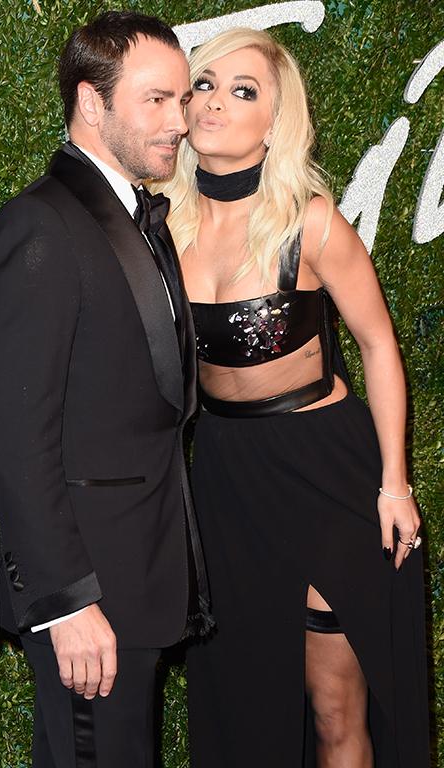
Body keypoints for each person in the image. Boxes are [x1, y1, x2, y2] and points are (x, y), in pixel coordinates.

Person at [155, 27, 430, 767]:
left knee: (336, 706)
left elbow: (378, 345)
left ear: (275, 122)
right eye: (204, 85)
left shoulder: (310, 221)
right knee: (243, 698)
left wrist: (394, 484)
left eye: (243, 90)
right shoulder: (158, 227)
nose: (215, 102)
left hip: (326, 476)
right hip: (223, 479)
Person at [0, 12, 211, 767]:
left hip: (137, 575)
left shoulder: (138, 216)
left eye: (183, 99)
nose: (182, 121)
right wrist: (68, 602)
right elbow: (14, 435)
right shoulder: (41, 224)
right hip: (88, 593)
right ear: (90, 100)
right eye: (157, 101)